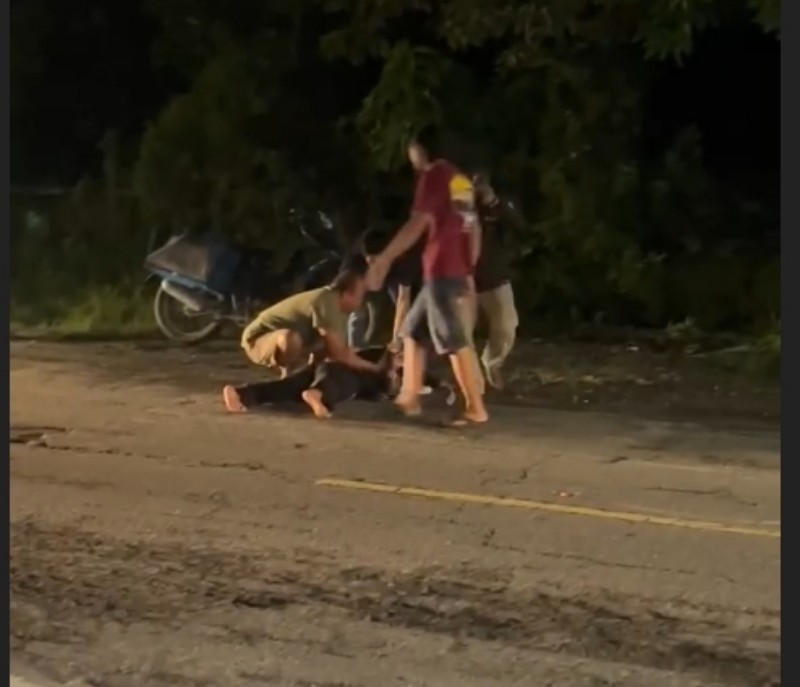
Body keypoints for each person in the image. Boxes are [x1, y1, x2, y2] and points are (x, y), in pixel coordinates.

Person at [367, 129, 489, 426]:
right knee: (412, 331)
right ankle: (409, 397)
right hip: (455, 268)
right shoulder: (460, 180)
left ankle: (475, 407)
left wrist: (385, 257)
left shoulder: (433, 176)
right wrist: (469, 270)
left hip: (441, 269)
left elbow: (417, 223)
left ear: (420, 151)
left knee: (452, 338)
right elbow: (473, 227)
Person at [236, 261, 382, 382]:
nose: (361, 301)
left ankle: (307, 378)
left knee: (326, 343)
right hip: (258, 339)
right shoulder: (328, 301)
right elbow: (340, 355)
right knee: (290, 338)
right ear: (346, 293)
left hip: (293, 340)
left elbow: (338, 350)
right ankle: (287, 378)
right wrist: (376, 369)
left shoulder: (339, 310)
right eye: (360, 295)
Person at [222, 345, 455, 418]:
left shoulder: (418, 372)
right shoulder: (382, 359)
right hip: (339, 371)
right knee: (344, 386)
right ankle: (318, 395)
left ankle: (241, 394)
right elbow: (386, 384)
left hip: (326, 367)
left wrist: (443, 392)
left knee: (288, 387)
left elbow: (446, 390)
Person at [467, 174, 520, 390]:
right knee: (461, 332)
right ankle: (470, 380)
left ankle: (492, 361)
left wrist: (494, 203)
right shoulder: (458, 206)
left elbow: (518, 226)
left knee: (507, 325)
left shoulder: (495, 208)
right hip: (463, 278)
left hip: (493, 276)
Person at [348, 229, 423, 350]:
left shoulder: (405, 261)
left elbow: (403, 299)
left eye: (376, 266)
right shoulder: (357, 258)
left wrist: (396, 340)